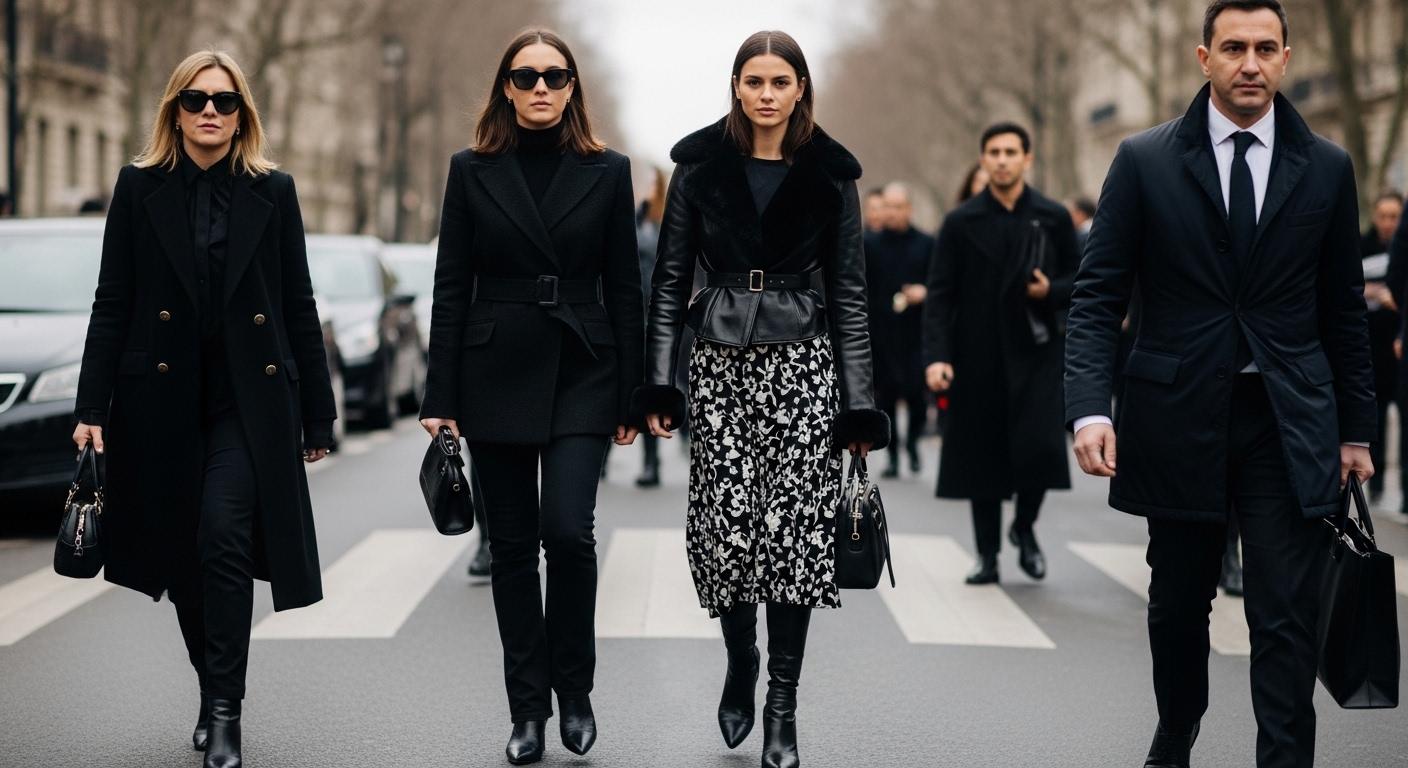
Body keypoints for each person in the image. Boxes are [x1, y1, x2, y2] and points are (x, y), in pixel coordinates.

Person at [1065, 2, 1376, 766]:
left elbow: (1344, 310)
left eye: (1266, 48)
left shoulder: (1327, 167)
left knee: (1284, 613)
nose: (1250, 63)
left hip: (1287, 419)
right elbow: (1098, 296)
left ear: (1286, 57)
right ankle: (1178, 729)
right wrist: (1089, 410)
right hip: (1175, 415)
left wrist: (1357, 430)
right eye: (1234, 47)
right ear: (1204, 58)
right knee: (1177, 605)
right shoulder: (1144, 160)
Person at [72, 50, 336, 768]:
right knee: (184, 556)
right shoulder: (139, 188)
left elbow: (298, 303)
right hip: (159, 401)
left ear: (243, 114)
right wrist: (92, 405)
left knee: (223, 534)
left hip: (246, 403)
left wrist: (318, 413)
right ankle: (210, 686)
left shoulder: (273, 191)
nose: (210, 111)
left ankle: (225, 714)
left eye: (224, 100)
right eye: (195, 100)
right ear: (175, 111)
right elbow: (112, 301)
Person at [634, 30, 886, 768]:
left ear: (801, 87)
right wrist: (661, 380)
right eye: (754, 81)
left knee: (796, 538)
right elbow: (670, 281)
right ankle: (740, 655)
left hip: (803, 370)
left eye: (780, 81)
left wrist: (858, 405)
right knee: (726, 532)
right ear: (737, 87)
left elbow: (849, 295)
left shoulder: (832, 175)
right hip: (719, 368)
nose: (767, 94)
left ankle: (782, 702)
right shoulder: (698, 167)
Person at [418, 29, 642, 766]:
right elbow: (451, 287)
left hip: (583, 365)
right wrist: (440, 394)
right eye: (525, 77)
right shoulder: (471, 169)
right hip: (494, 370)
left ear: (572, 87)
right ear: (506, 89)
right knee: (512, 549)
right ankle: (528, 710)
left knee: (569, 534)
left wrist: (632, 394)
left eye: (554, 76)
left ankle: (574, 690)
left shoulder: (609, 171)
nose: (540, 88)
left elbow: (626, 288)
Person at [922, 122, 1078, 585]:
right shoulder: (960, 221)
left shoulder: (1053, 216)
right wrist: (937, 356)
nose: (1002, 160)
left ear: (1027, 159)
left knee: (1040, 449)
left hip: (1037, 351)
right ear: (983, 159)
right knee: (981, 458)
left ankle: (1024, 527)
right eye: (994, 152)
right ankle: (987, 555)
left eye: (1011, 152)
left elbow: (1082, 280)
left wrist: (1051, 290)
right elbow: (940, 294)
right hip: (977, 353)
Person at [866, 181, 933, 477]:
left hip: (916, 332)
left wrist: (924, 292)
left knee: (917, 394)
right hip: (882, 332)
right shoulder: (869, 244)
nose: (892, 212)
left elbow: (938, 283)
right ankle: (892, 455)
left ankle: (914, 441)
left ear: (908, 209)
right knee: (887, 397)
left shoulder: (926, 244)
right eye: (888, 207)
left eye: (897, 207)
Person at [1360, 190, 1402, 504]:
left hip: (1397, 346)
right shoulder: (1360, 246)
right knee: (1373, 417)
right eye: (1383, 216)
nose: (1388, 223)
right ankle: (1375, 486)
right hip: (1370, 347)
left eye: (1394, 216)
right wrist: (1374, 293)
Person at [635, 167, 670, 488]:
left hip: (653, 310)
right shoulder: (633, 219)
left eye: (648, 180)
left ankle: (651, 461)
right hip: (628, 309)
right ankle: (601, 459)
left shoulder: (665, 221)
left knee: (649, 383)